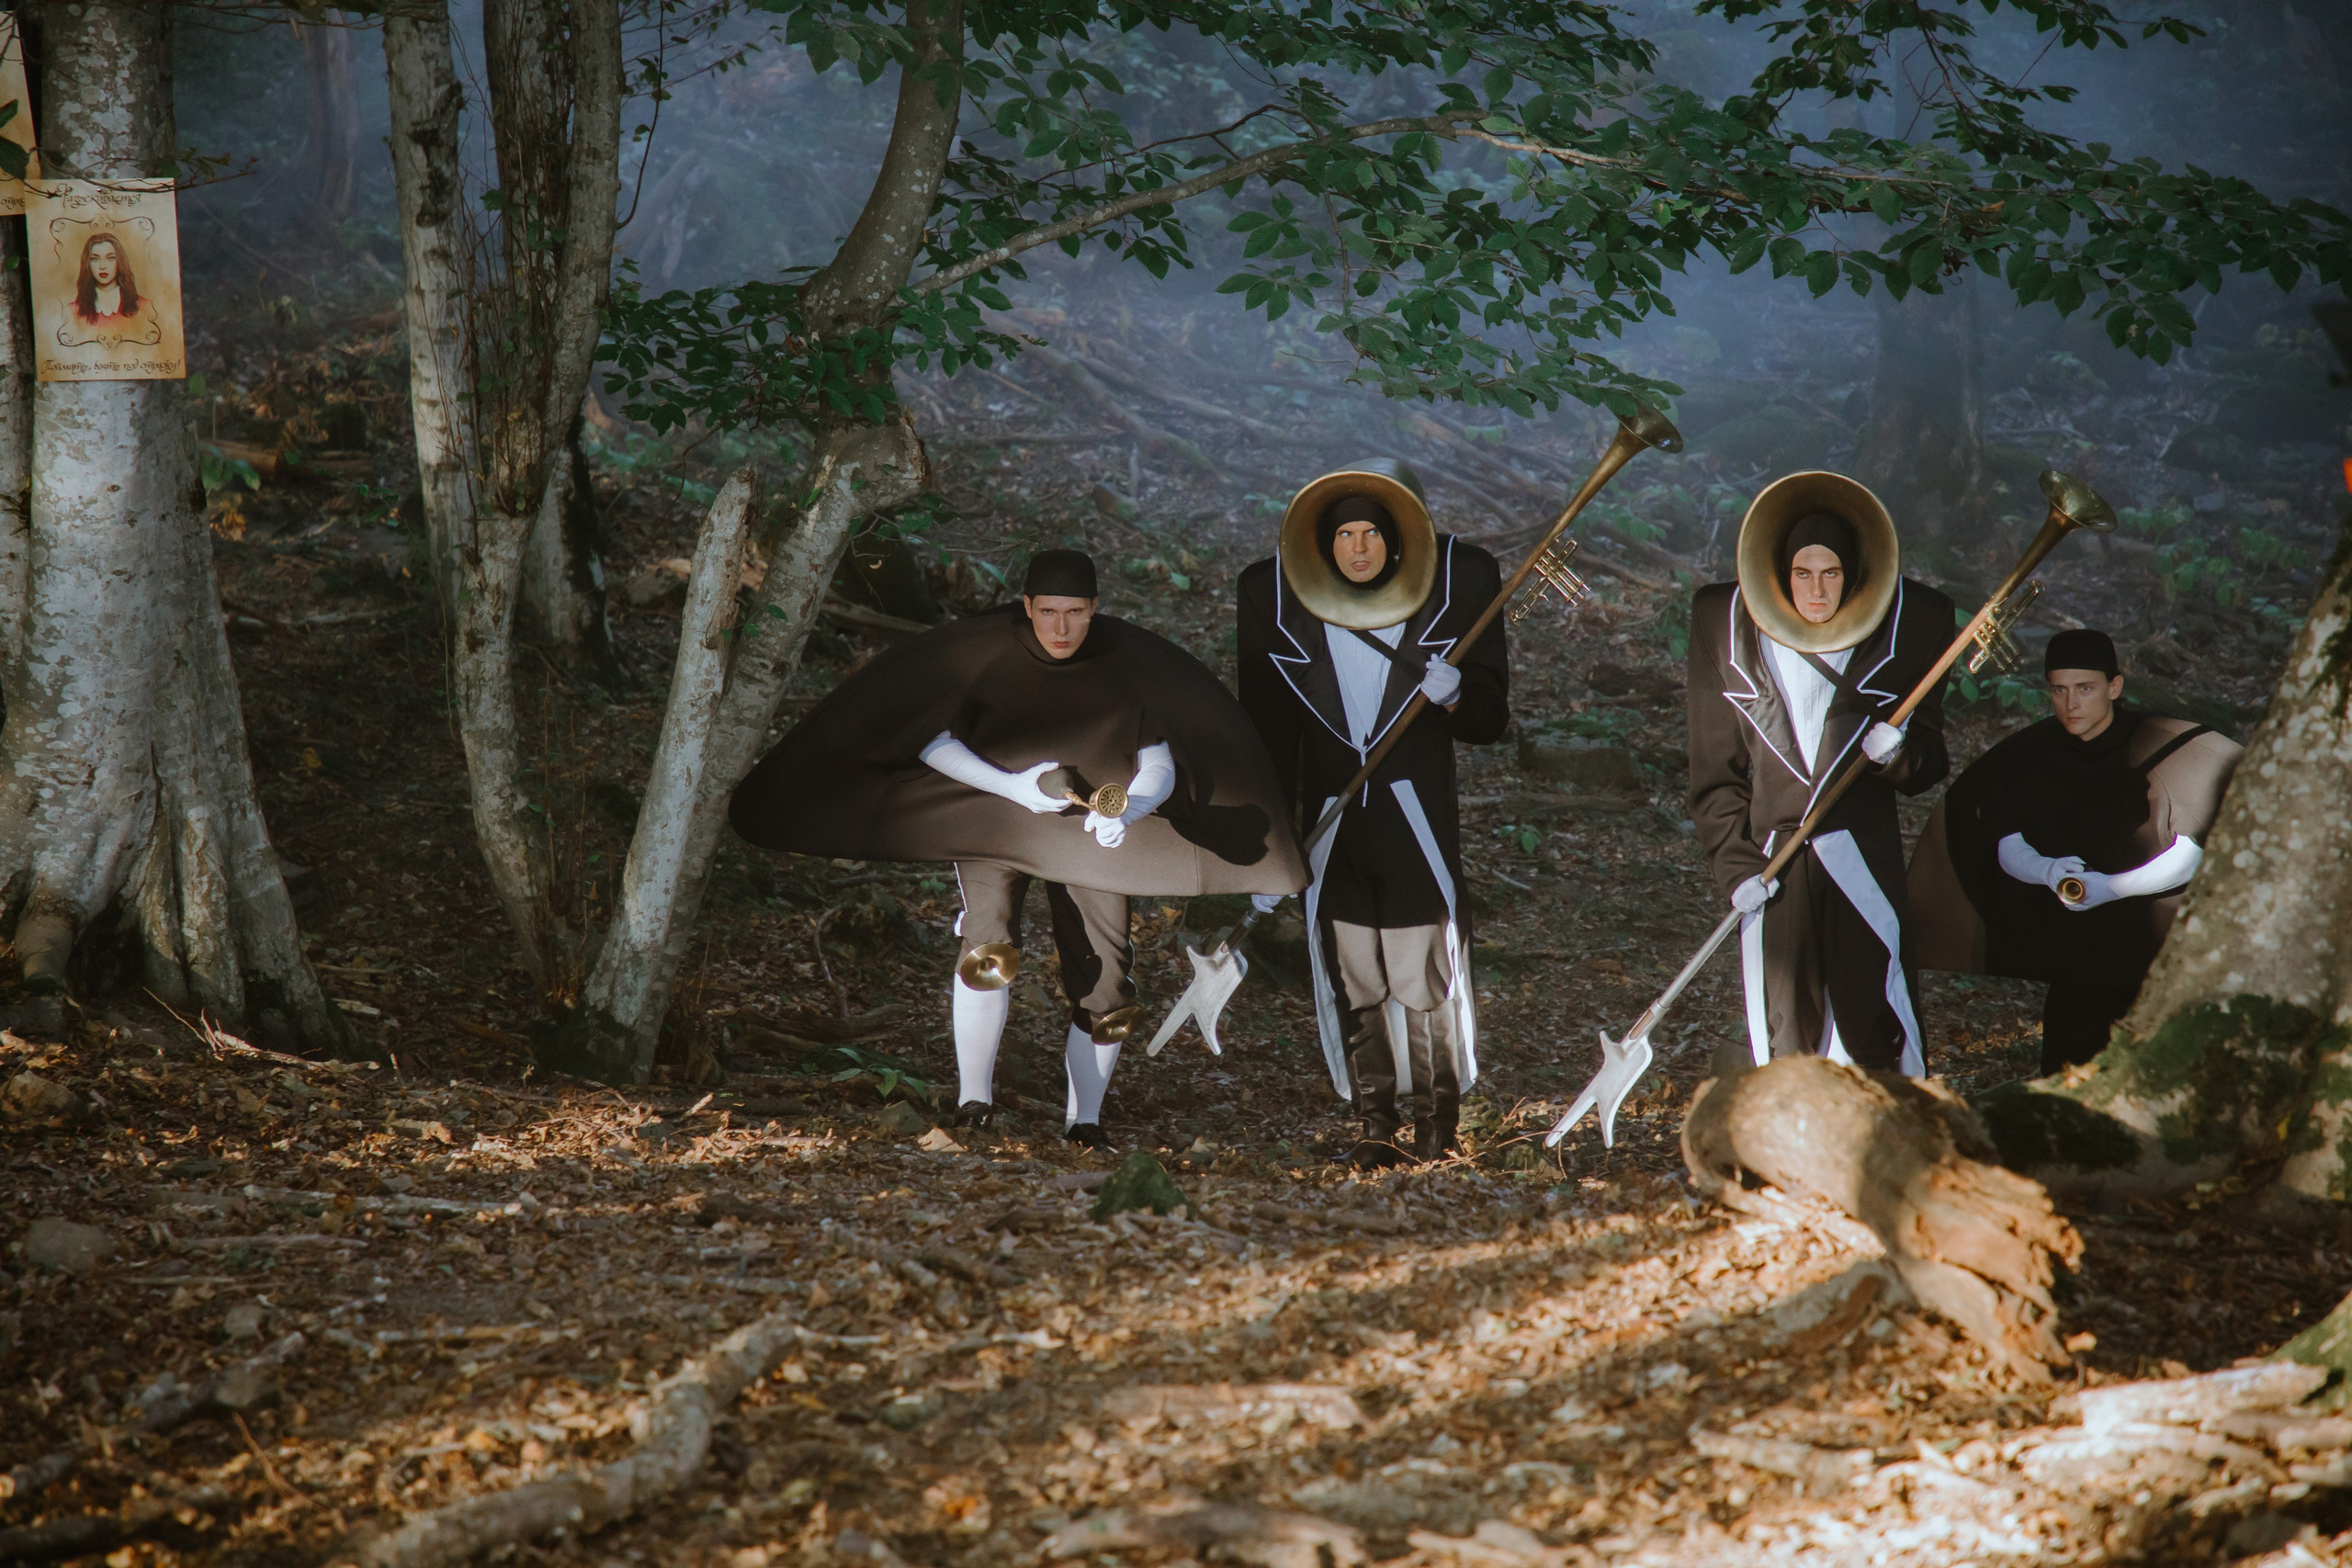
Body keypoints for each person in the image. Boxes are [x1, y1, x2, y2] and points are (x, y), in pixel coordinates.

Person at [729, 549, 1306, 1149]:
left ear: (1095, 610)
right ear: (1027, 606)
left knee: (1107, 981)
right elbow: (928, 739)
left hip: (1088, 830)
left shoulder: (1128, 666)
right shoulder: (985, 656)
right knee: (988, 947)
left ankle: (1085, 1121)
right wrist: (1011, 786)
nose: (1060, 627)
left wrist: (1131, 807)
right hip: (994, 819)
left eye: (1076, 613)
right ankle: (973, 1100)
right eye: (1049, 611)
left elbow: (1159, 759)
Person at [1236, 464, 1509, 1167]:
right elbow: (1269, 741)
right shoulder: (1282, 609)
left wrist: (1454, 696)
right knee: (1353, 968)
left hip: (1414, 819)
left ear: (1396, 540)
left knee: (1421, 970)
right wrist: (1270, 847)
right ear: (1326, 546)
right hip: (1333, 823)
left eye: (1372, 535)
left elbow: (1489, 718)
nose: (1358, 549)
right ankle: (1374, 1120)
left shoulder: (1448, 606)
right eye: (1346, 535)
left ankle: (1435, 1121)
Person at [1688, 509, 1956, 1077]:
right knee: (1786, 1028)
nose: (1816, 588)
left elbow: (1930, 762)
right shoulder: (1725, 624)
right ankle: (1794, 1157)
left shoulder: (1909, 627)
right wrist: (1736, 867)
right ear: (1781, 575)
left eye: (1830, 573)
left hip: (1861, 858)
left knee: (1874, 1019)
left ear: (1852, 575)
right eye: (1802, 573)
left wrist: (1896, 755)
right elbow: (1715, 774)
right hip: (1774, 865)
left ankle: (1881, 1146)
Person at [1907, 629, 2243, 1072]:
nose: (2071, 704)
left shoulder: (2166, 744)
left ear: (2114, 687)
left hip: (2154, 956)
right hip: (2077, 963)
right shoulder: (2031, 754)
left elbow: (2194, 853)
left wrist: (2112, 887)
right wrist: (2046, 870)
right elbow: (2005, 840)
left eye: (2085, 689)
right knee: (2068, 1063)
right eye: (2059, 690)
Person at [73, 233, 141, 326]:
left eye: (110, 258)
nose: (102, 266)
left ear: (120, 261)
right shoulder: (72, 311)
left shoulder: (144, 307)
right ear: (87, 264)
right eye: (95, 259)